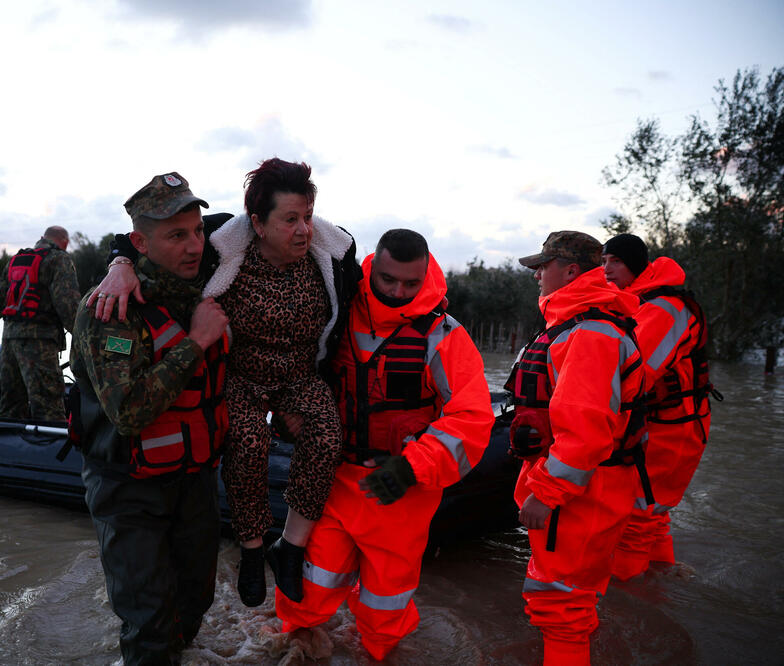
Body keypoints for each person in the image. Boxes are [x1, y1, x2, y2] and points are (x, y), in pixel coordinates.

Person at [87, 159, 361, 608]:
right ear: (257, 222)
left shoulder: (335, 255)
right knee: (247, 440)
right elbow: (141, 237)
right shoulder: (219, 242)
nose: (303, 230)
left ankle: (288, 547)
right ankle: (252, 549)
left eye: (308, 217)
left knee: (328, 435)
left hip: (298, 375)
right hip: (242, 376)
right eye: (289, 220)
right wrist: (120, 263)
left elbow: (344, 326)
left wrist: (309, 394)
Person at [273, 229, 495, 660]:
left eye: (411, 284)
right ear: (374, 268)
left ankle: (377, 653)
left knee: (385, 602)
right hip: (333, 478)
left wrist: (412, 467)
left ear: (427, 273)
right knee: (308, 586)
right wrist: (287, 416)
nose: (398, 292)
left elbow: (472, 419)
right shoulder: (336, 314)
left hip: (404, 492)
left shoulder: (445, 336)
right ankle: (293, 645)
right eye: (389, 280)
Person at [70, 173, 230, 664]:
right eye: (176, 235)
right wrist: (197, 342)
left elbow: (272, 228)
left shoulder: (204, 280)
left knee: (195, 601)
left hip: (193, 479)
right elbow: (129, 411)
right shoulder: (111, 309)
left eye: (198, 231)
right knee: (150, 624)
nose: (194, 245)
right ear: (141, 242)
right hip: (128, 486)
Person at [508, 231, 646, 665]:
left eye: (542, 266)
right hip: (585, 488)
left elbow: (586, 432)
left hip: (581, 495)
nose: (536, 275)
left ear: (570, 271)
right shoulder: (581, 325)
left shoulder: (589, 334)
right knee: (568, 602)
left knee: (561, 606)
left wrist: (546, 494)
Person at [602, 233, 720, 580]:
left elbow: (637, 372)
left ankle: (631, 592)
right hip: (665, 421)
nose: (606, 269)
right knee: (652, 508)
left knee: (638, 511)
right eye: (604, 261)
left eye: (616, 262)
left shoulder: (664, 308)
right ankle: (661, 580)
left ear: (636, 265)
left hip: (674, 425)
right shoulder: (640, 301)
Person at [0, 225, 80, 420]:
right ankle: (49, 448)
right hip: (38, 342)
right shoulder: (58, 259)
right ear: (64, 243)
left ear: (42, 238)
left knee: (11, 403)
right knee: (48, 406)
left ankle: (9, 445)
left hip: (9, 339)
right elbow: (67, 305)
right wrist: (83, 337)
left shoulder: (16, 260)